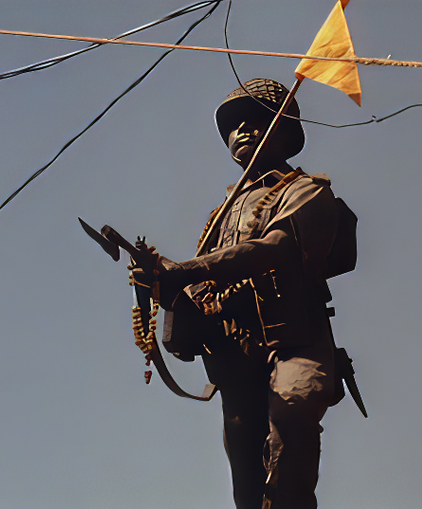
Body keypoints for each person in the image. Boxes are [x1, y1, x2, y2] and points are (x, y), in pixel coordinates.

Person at [130, 78, 358, 509]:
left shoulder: (306, 188)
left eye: (257, 121)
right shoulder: (220, 216)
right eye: (234, 125)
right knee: (246, 479)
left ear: (284, 131)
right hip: (234, 353)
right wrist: (160, 284)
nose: (244, 130)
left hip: (295, 340)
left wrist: (185, 270)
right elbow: (198, 291)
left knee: (293, 406)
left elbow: (278, 248)